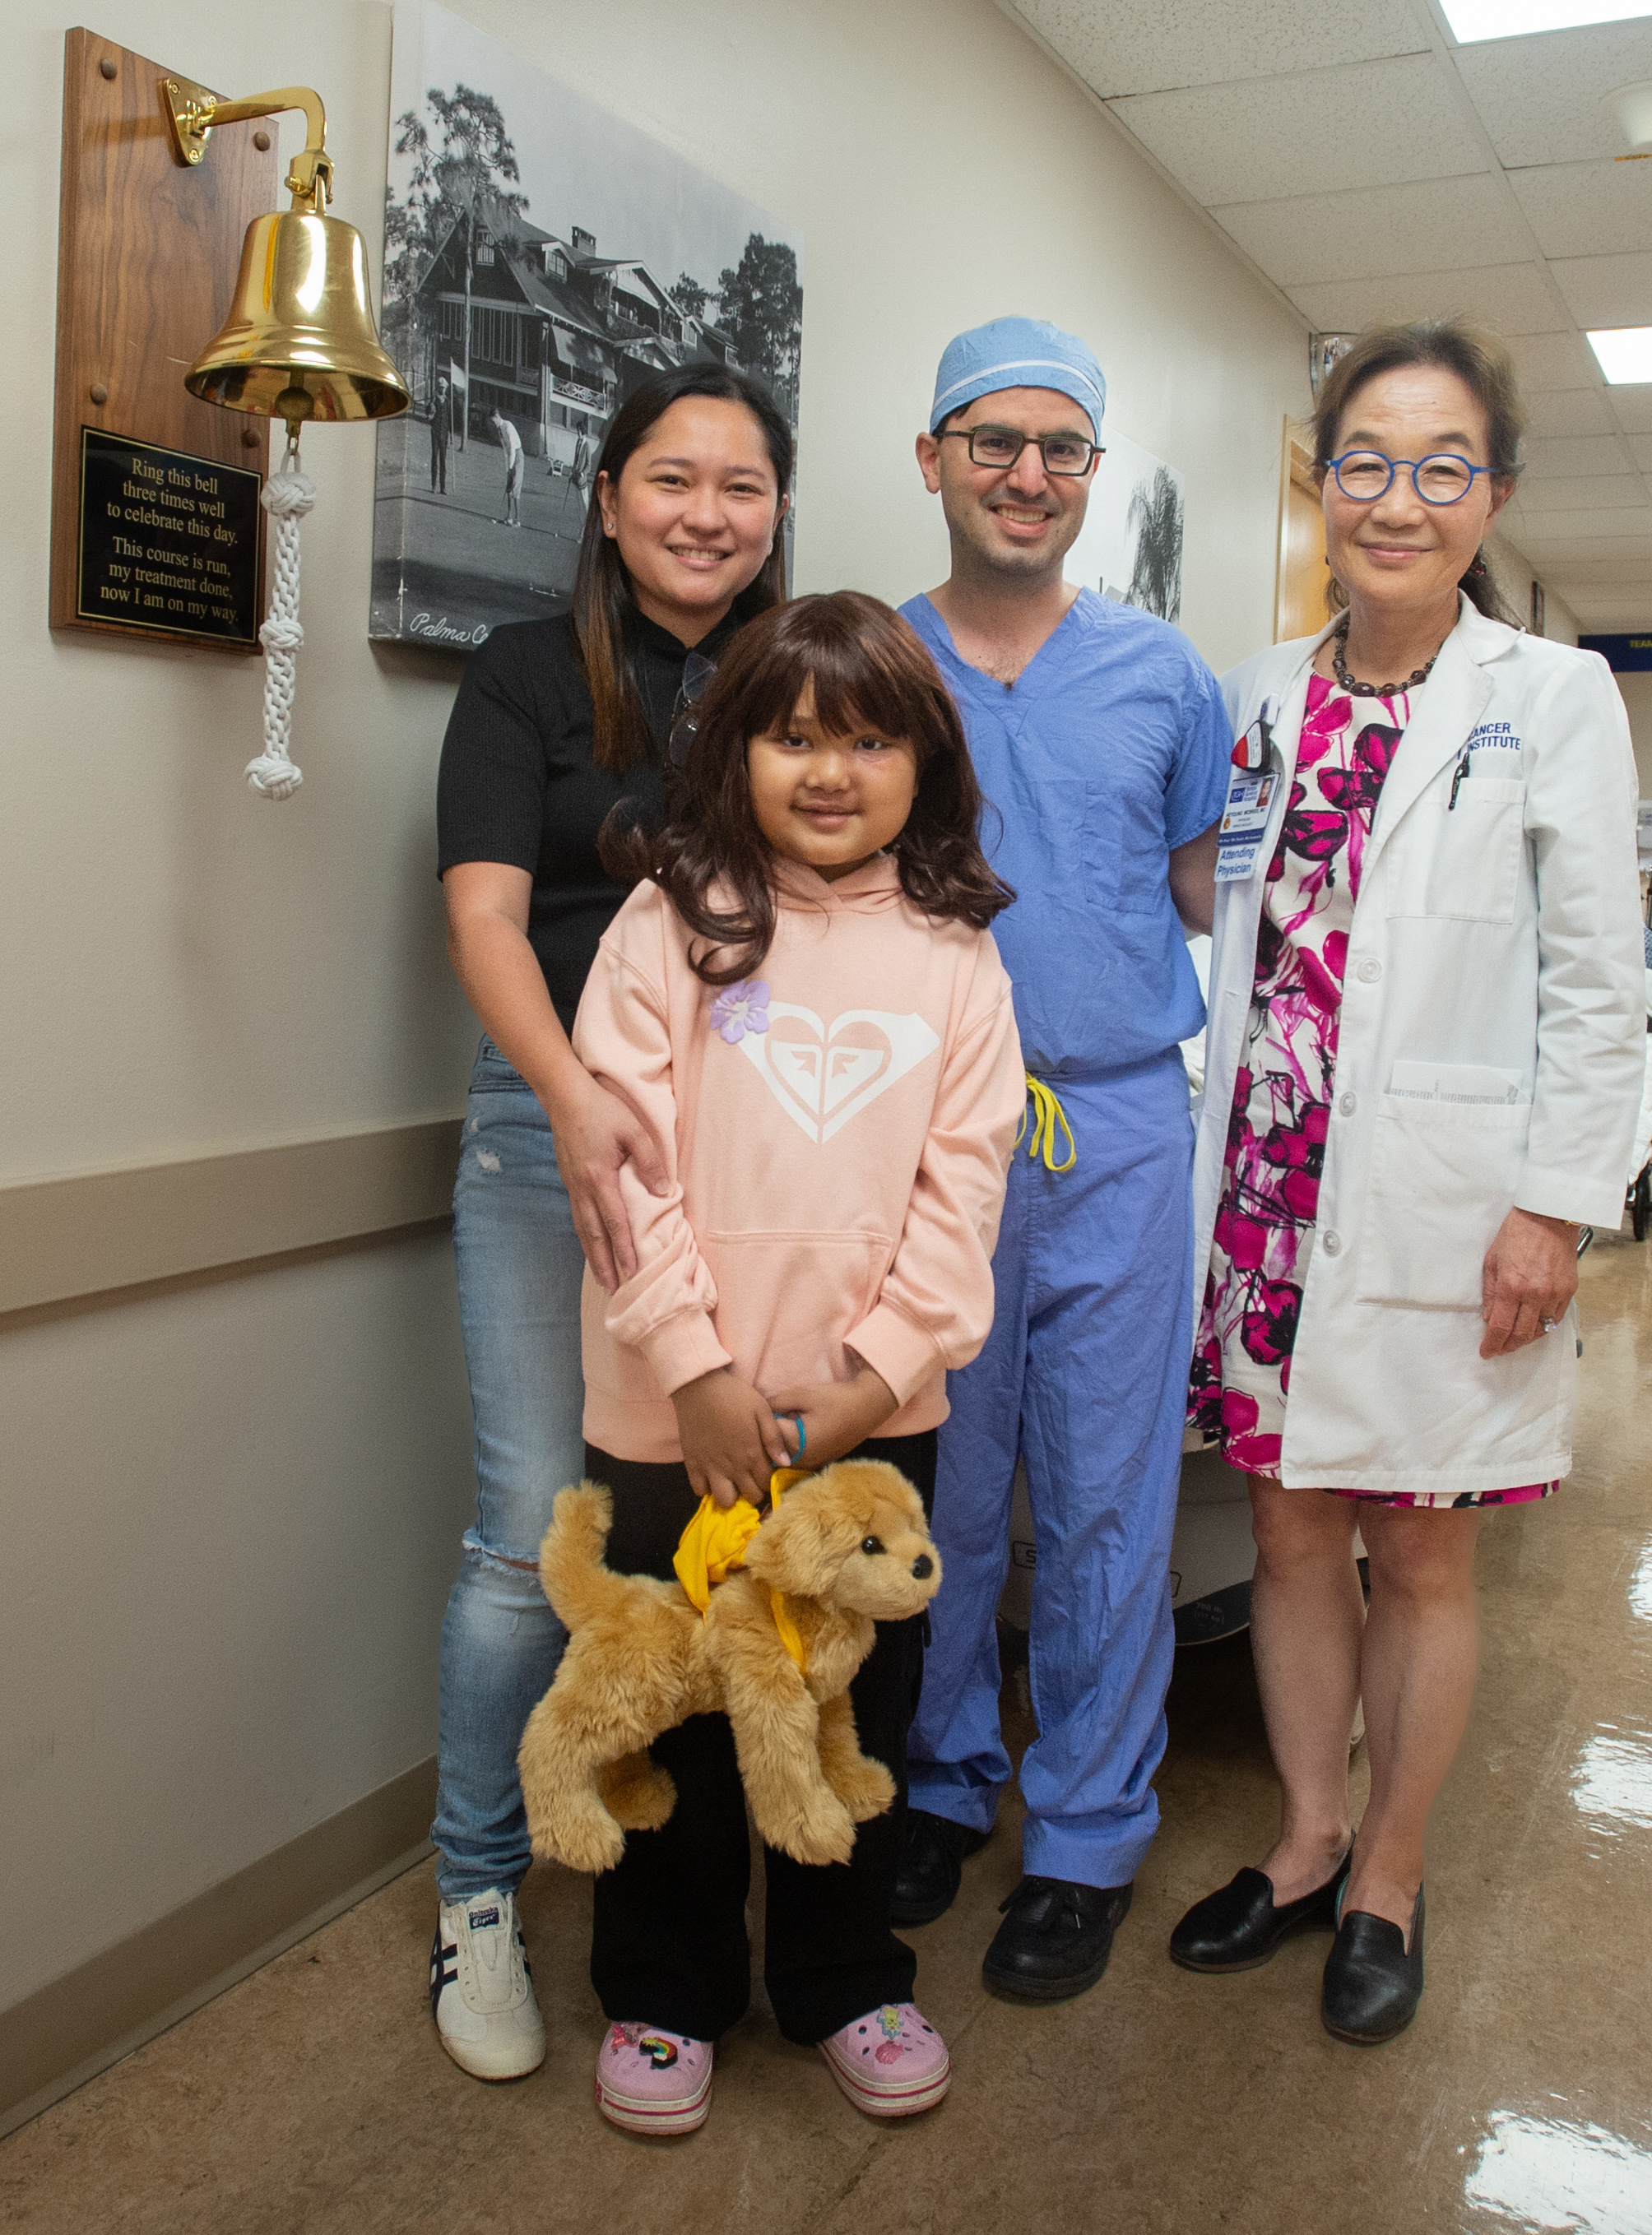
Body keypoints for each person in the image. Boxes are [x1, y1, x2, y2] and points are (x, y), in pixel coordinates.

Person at [1173, 321, 1644, 2045]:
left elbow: (1600, 980)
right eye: (1364, 459)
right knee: (1288, 1527)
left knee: (1419, 1549)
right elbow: (1237, 931)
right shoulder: (1256, 688)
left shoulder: (1548, 696)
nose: (1397, 497)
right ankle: (1300, 1837)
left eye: (1442, 465)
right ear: (1320, 483)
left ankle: (1387, 1868)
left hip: (1454, 1204)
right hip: (1265, 1189)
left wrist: (1553, 1200)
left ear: (1490, 494)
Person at [573, 591, 1024, 2134]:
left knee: (847, 1714)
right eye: (791, 735)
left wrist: (864, 1385)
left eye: (868, 739)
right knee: (679, 1708)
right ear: (735, 751)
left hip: (869, 1427)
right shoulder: (664, 923)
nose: (828, 771)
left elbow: (961, 1202)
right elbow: (625, 1172)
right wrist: (695, 1368)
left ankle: (843, 1977)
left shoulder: (958, 957)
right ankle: (662, 1988)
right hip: (664, 1412)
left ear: (923, 763)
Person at [429, 362, 791, 2081]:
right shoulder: (521, 676)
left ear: (776, 507)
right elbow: (489, 915)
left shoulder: (805, 680)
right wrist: (577, 1103)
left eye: (739, 481)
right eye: (670, 475)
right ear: (606, 493)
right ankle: (479, 1892)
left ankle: (719, 1893)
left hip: (762, 1149)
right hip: (542, 1136)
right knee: (533, 1529)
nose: (704, 509)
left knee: (713, 1522)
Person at [893, 318, 1231, 2001]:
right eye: (992, 440)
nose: (1026, 474)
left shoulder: (1167, 678)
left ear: (1091, 474)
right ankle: (938, 1777)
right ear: (931, 457)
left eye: (1060, 448)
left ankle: (1084, 1826)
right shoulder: (868, 660)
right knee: (937, 1472)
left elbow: (1204, 897)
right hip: (924, 1130)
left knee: (1103, 1488)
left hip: (1111, 1118)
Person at [491, 406, 525, 526]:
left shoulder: (508, 426)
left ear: (497, 417)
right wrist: (507, 469)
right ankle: (509, 517)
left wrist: (511, 467)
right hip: (510, 456)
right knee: (509, 486)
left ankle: (518, 520)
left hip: (518, 455)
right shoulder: (500, 430)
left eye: (493, 420)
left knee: (515, 486)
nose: (493, 423)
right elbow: (505, 451)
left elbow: (512, 449)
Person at [430, 375, 451, 495]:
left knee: (443, 461)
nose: (442, 389)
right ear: (438, 387)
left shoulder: (447, 401)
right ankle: (434, 486)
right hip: (435, 431)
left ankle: (443, 487)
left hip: (444, 433)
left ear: (446, 388)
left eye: (444, 388)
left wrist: (451, 434)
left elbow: (449, 418)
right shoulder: (434, 399)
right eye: (440, 387)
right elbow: (429, 413)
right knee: (435, 459)